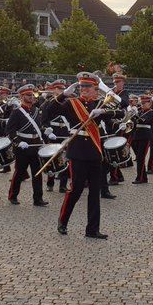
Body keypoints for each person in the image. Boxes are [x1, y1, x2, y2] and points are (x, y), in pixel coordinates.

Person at [42, 72, 124, 239]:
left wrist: (105, 112)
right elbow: (47, 112)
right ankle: (63, 221)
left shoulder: (99, 103)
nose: (84, 89)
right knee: (76, 190)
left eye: (88, 87)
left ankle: (92, 229)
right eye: (82, 86)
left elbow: (121, 110)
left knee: (95, 192)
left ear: (95, 89)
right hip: (78, 151)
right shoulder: (71, 104)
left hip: (94, 151)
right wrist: (63, 95)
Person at [5, 84, 49, 206]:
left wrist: (46, 132)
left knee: (37, 173)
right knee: (19, 173)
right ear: (22, 96)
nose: (32, 97)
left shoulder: (36, 110)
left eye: (32, 95)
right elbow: (10, 131)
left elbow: (39, 127)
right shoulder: (17, 112)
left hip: (36, 146)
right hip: (23, 147)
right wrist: (18, 142)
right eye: (29, 95)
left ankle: (38, 198)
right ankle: (13, 195)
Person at [130, 95, 153, 184]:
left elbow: (145, 121)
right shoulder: (140, 111)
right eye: (142, 102)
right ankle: (143, 177)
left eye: (144, 103)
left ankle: (139, 178)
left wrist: (136, 115)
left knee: (140, 158)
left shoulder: (151, 112)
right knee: (139, 157)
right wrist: (131, 114)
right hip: (137, 136)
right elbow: (134, 121)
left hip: (145, 136)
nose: (142, 104)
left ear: (149, 103)